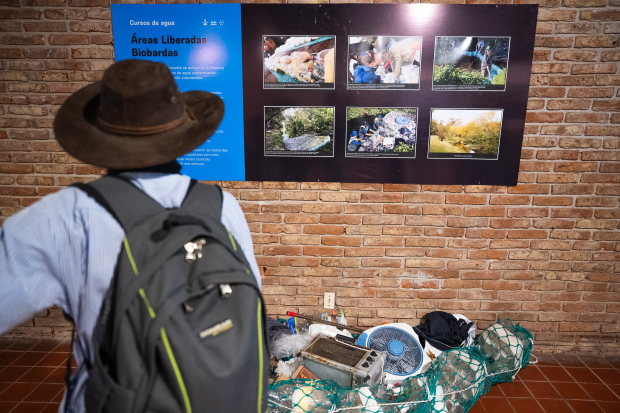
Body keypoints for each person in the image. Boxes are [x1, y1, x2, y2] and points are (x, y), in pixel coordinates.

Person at [0, 59, 261, 413]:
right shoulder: (222, 206)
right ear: (181, 131)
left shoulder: (64, 216)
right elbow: (249, 297)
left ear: (101, 135)